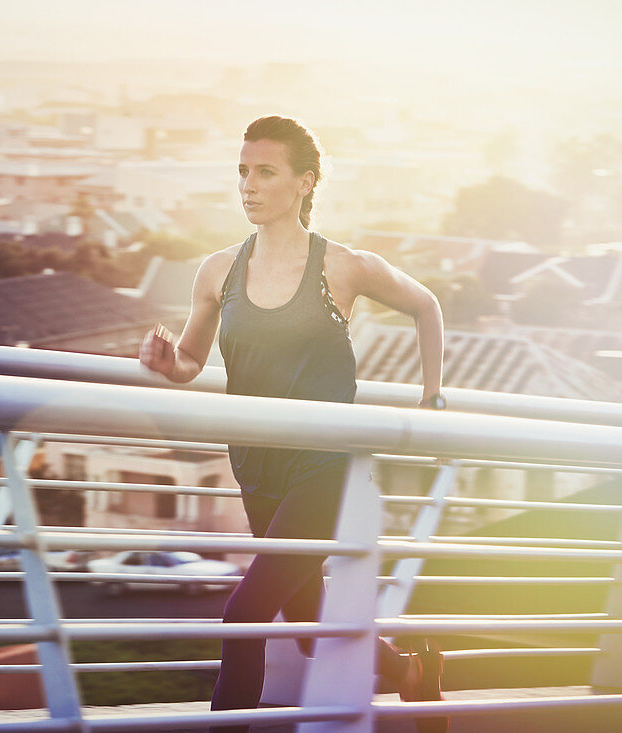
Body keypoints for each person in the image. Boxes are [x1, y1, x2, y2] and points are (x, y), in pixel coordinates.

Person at [139, 115, 447, 733]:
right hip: (256, 458)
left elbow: (426, 305)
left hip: (323, 461)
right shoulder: (218, 270)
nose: (249, 186)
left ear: (305, 183)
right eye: (243, 173)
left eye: (266, 173)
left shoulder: (344, 266)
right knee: (306, 624)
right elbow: (197, 360)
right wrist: (171, 363)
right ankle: (412, 675)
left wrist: (431, 397)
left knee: (244, 613)